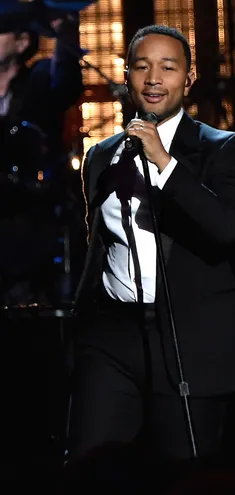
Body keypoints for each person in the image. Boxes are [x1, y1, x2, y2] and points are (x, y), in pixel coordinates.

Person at [67, 24, 235, 469]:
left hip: (186, 337)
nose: (153, 78)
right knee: (89, 465)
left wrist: (165, 163)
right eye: (142, 66)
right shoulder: (103, 155)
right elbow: (96, 245)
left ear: (187, 80)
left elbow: (225, 229)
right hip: (112, 334)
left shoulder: (224, 149)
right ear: (127, 76)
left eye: (167, 67)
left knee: (183, 473)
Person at [0, 0, 84, 306]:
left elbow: (66, 80)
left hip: (33, 217)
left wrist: (65, 31)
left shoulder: (40, 79)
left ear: (22, 42)